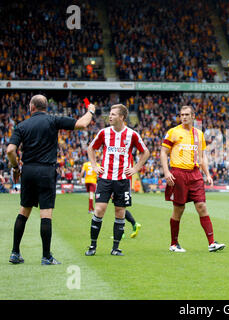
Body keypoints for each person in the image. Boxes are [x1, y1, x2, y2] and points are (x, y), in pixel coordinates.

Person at [6, 94, 96, 265]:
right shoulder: (53, 120)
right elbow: (83, 123)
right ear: (45, 107)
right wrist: (90, 110)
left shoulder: (21, 126)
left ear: (31, 107)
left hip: (28, 171)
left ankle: (15, 253)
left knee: (23, 211)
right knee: (45, 213)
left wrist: (16, 167)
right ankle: (46, 256)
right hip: (46, 171)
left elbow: (11, 150)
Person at [85, 104, 150, 256]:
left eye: (113, 114)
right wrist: (94, 166)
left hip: (122, 180)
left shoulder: (132, 134)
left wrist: (135, 168)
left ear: (121, 117)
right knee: (99, 210)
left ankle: (115, 248)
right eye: (110, 114)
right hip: (105, 178)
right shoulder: (104, 132)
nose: (110, 116)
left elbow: (145, 152)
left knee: (120, 212)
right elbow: (91, 148)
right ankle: (92, 246)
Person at [160, 105, 225, 253]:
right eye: (182, 114)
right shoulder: (173, 132)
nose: (184, 117)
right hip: (178, 173)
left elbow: (202, 157)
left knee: (202, 206)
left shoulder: (199, 134)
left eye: (187, 114)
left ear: (193, 116)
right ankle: (174, 244)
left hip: (195, 174)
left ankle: (212, 243)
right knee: (179, 209)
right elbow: (163, 153)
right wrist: (166, 172)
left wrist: (207, 174)